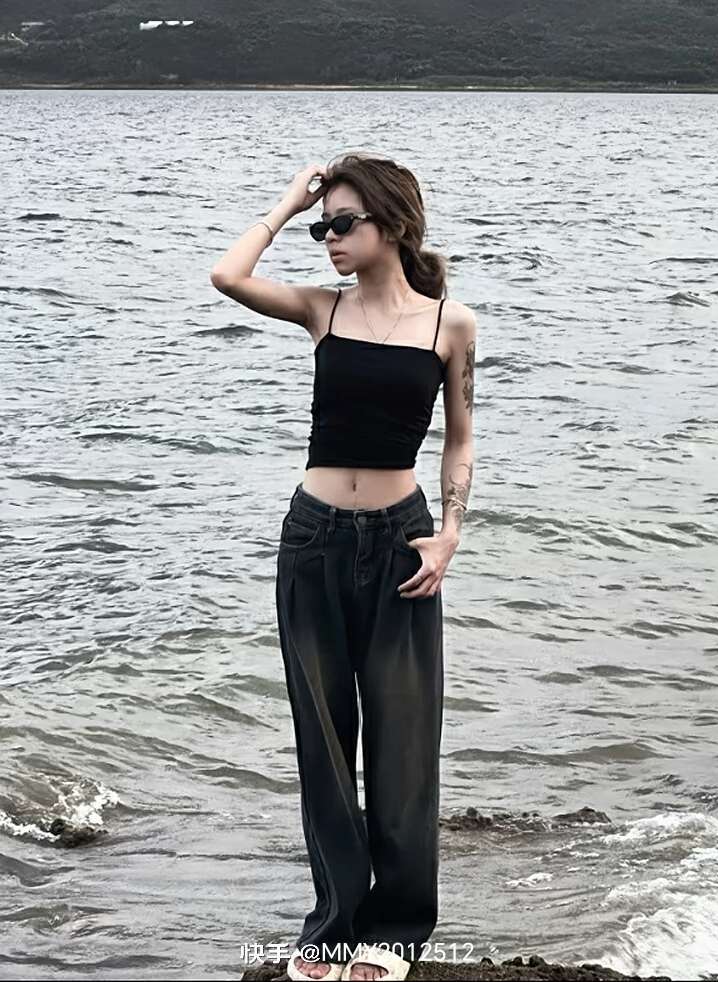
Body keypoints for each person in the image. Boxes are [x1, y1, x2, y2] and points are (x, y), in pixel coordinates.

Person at [210, 153, 476, 982]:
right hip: (313, 541)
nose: (328, 237)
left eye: (342, 222)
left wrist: (451, 534)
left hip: (403, 544)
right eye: (323, 226)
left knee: (404, 744)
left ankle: (394, 932)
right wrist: (290, 202)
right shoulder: (322, 310)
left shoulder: (450, 326)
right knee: (323, 743)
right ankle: (332, 927)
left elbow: (461, 439)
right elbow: (226, 275)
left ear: (391, 224)